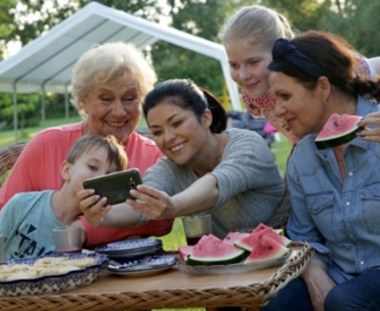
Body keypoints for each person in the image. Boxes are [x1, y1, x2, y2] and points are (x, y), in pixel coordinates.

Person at [0, 42, 173, 247]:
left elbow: (161, 221)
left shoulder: (153, 157)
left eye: (129, 98)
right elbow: (6, 209)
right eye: (106, 99)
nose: (119, 111)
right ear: (84, 100)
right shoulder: (47, 144)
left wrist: (84, 228)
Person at [261, 31, 380, 311]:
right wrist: (315, 275)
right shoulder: (302, 158)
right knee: (276, 304)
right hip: (341, 277)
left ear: (323, 87)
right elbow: (304, 236)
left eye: (285, 96)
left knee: (345, 302)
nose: (277, 111)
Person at [79, 78, 286, 238]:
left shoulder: (247, 145)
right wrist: (102, 215)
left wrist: (173, 207)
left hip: (287, 259)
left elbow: (216, 185)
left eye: (177, 123)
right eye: (157, 132)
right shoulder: (171, 168)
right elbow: (140, 205)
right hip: (228, 274)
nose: (168, 138)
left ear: (206, 118)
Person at [221, 5, 378, 145]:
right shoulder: (256, 95)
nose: (243, 75)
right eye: (234, 65)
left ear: (279, 50)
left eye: (253, 62)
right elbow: (298, 138)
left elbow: (371, 68)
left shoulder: (314, 67)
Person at [0, 134, 127, 261]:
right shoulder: (21, 204)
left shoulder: (93, 225)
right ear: (66, 170)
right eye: (93, 167)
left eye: (109, 175)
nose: (100, 177)